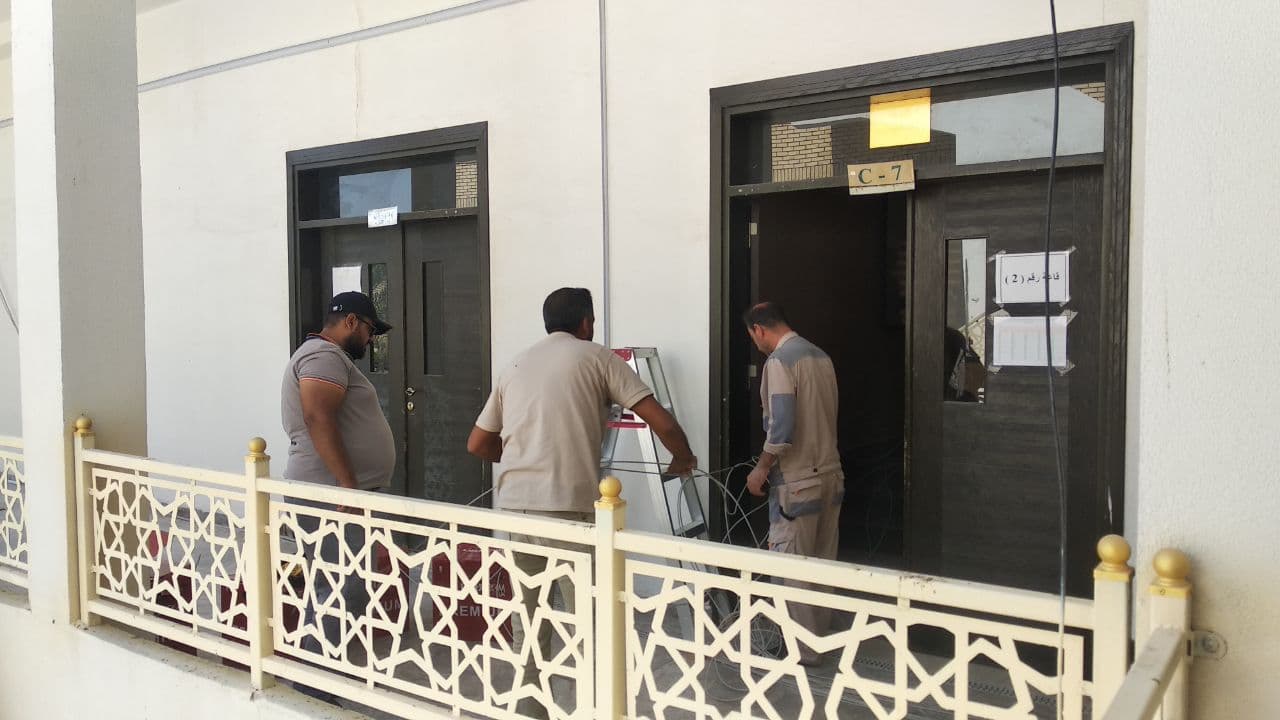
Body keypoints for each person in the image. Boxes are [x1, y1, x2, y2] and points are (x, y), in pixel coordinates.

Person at [467, 287, 696, 718]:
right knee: (590, 623)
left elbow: (478, 443)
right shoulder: (596, 357)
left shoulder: (515, 365)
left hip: (517, 509)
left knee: (529, 623)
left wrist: (521, 457)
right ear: (587, 322)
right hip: (570, 509)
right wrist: (683, 457)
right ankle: (593, 710)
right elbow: (661, 421)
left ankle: (531, 712)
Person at [280, 290, 395, 703]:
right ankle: (314, 693)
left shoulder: (328, 357)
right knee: (340, 591)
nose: (370, 339)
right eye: (369, 329)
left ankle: (317, 684)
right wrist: (348, 483)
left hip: (335, 495)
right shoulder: (324, 356)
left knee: (336, 588)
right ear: (350, 322)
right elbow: (317, 415)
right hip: (332, 496)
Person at [743, 301, 844, 666]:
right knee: (822, 564)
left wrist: (761, 468)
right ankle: (818, 640)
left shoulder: (779, 362)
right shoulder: (820, 356)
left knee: (792, 570)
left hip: (797, 483)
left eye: (753, 337)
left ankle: (803, 653)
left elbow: (781, 427)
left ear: (759, 329)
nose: (756, 344)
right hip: (831, 476)